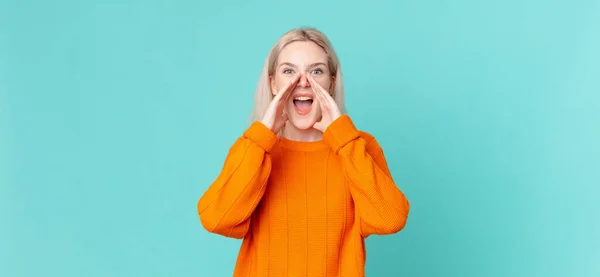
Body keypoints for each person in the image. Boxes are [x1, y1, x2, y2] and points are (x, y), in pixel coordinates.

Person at [197, 27, 410, 277]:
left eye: (316, 70)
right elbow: (216, 219)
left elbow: (391, 219)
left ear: (331, 83)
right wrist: (262, 138)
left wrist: (342, 138)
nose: (302, 81)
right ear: (273, 83)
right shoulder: (253, 149)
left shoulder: (357, 147)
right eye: (289, 71)